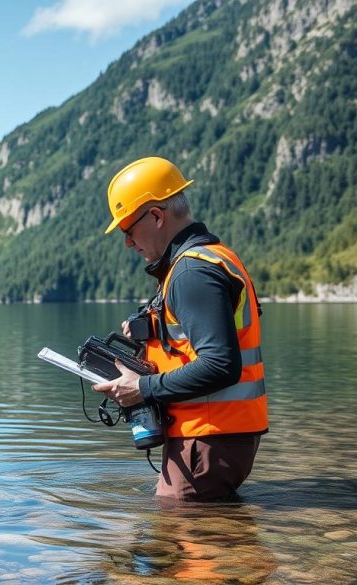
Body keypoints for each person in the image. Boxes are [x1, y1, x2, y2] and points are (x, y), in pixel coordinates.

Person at [92, 156, 267, 502]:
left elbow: (220, 364)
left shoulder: (191, 273)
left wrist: (142, 387)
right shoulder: (207, 260)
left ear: (156, 216)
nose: (127, 242)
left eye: (128, 229)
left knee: (187, 543)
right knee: (195, 541)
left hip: (207, 437)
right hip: (217, 435)